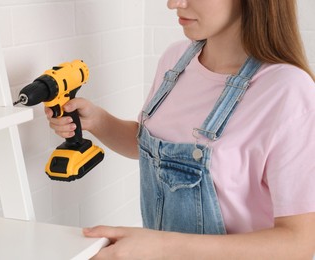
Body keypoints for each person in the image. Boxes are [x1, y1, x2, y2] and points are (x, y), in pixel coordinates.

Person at [46, 0, 315, 258]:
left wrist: (161, 249)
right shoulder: (176, 61)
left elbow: (300, 243)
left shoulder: (287, 90)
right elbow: (155, 149)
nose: (173, 4)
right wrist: (98, 121)